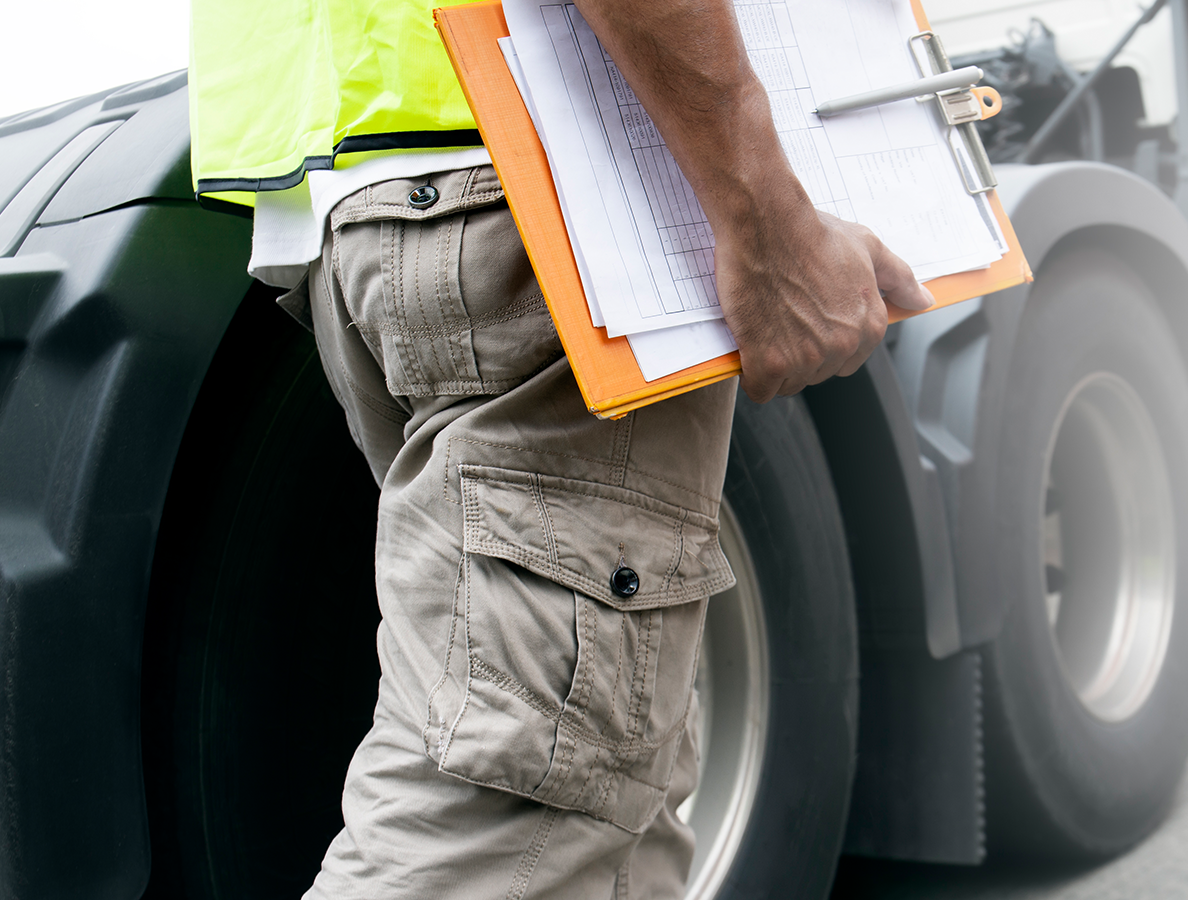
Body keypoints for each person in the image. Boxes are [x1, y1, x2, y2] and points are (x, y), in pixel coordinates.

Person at [188, 0, 932, 896]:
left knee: (610, 809)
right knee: (514, 806)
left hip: (364, 203)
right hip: (529, 180)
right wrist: (768, 219)